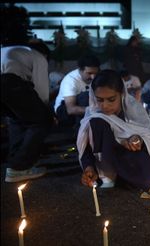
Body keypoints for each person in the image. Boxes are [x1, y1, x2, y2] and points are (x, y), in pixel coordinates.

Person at [77, 70, 150, 194]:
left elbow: (149, 135)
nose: (105, 106)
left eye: (111, 99)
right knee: (96, 121)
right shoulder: (93, 115)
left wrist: (137, 139)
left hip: (126, 159)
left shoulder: (133, 108)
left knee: (146, 173)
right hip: (104, 163)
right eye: (100, 100)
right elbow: (85, 147)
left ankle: (127, 179)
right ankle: (106, 177)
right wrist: (88, 167)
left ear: (122, 94)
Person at [1, 41, 54, 182]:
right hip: (8, 81)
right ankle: (19, 167)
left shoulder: (13, 50)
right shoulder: (38, 57)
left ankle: (15, 164)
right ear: (45, 55)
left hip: (6, 81)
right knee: (42, 121)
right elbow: (41, 91)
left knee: (16, 120)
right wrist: (47, 112)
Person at [54, 54, 100, 127]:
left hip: (85, 107)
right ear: (80, 70)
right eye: (89, 73)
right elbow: (71, 109)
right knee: (85, 97)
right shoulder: (70, 81)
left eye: (95, 73)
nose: (93, 77)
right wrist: (97, 111)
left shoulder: (97, 77)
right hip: (64, 111)